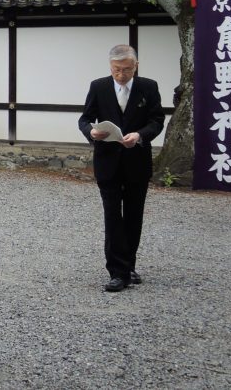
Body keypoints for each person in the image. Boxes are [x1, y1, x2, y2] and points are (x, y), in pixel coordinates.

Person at [77, 44, 164, 293]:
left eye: (126, 69)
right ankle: (117, 272)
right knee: (113, 216)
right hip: (107, 161)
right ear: (110, 67)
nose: (121, 75)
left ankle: (129, 265)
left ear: (135, 66)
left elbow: (157, 120)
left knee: (134, 216)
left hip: (137, 160)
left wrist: (140, 135)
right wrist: (91, 132)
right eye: (116, 70)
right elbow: (84, 118)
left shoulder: (149, 86)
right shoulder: (99, 86)